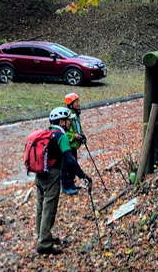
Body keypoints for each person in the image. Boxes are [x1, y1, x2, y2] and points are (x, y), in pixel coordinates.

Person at [35, 107, 92, 255]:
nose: (68, 123)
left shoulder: (47, 133)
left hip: (39, 174)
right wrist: (83, 176)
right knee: (49, 208)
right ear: (62, 121)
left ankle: (42, 236)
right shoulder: (62, 136)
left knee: (40, 206)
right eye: (67, 120)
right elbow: (70, 160)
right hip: (52, 175)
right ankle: (45, 244)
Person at [62, 93, 87, 195]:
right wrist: (74, 136)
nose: (78, 104)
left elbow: (78, 127)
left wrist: (82, 135)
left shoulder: (76, 114)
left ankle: (71, 183)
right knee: (67, 165)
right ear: (71, 104)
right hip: (68, 146)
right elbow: (64, 132)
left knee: (73, 164)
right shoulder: (67, 116)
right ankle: (65, 186)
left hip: (74, 145)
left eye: (78, 101)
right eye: (76, 102)